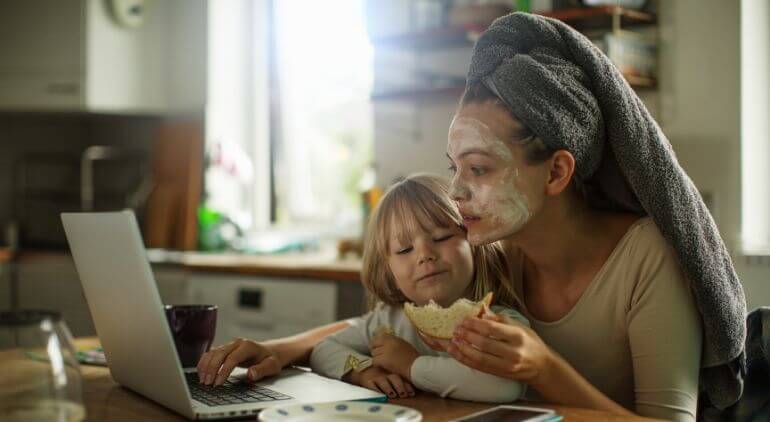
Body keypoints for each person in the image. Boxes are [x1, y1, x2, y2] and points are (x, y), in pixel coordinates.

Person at [197, 12, 746, 422]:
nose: (456, 192)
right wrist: (281, 348)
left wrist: (544, 370)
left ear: (556, 173)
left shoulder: (647, 259)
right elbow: (375, 323)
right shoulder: (493, 253)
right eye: (453, 167)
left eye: (479, 168)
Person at [309, 173, 526, 402]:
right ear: (388, 270)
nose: (425, 256)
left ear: (473, 243)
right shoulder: (388, 323)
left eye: (441, 237)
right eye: (404, 250)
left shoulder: (498, 322)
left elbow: (503, 386)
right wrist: (362, 370)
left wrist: (411, 365)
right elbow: (324, 349)